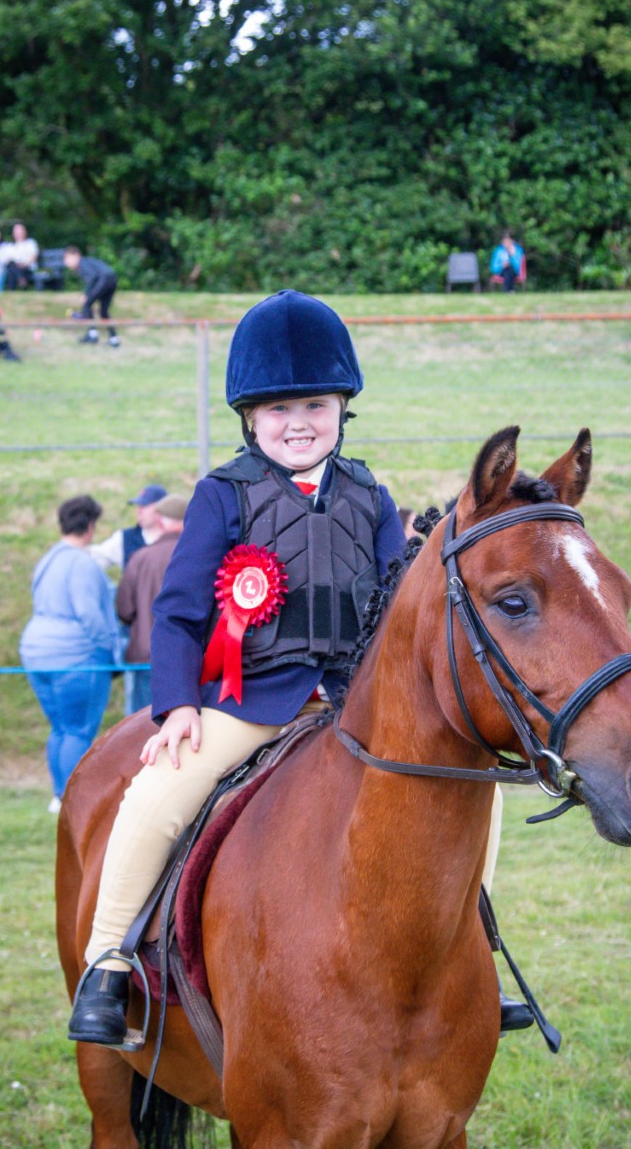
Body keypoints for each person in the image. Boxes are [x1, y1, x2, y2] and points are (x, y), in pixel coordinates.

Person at [67, 288, 409, 1047]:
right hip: (248, 699)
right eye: (279, 408)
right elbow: (179, 612)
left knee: (461, 793)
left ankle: (474, 954)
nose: (299, 422)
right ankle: (107, 962)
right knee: (157, 795)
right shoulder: (223, 495)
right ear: (250, 417)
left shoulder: (373, 498)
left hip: (351, 704)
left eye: (316, 405)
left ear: (342, 407)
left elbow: (398, 610)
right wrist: (177, 706)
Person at [20, 496, 119, 813]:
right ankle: (72, 800)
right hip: (74, 656)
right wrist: (108, 648)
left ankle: (58, 795)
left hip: (35, 653)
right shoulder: (82, 564)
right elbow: (89, 614)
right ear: (90, 526)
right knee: (78, 729)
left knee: (61, 728)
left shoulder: (48, 559)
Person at [90, 483, 168, 716]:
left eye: (145, 506)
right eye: (138, 506)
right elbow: (92, 560)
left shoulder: (177, 539)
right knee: (136, 704)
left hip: (168, 629)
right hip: (137, 633)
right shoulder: (125, 539)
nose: (139, 511)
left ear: (160, 509)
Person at [115, 494, 188, 715]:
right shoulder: (201, 555)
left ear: (160, 522)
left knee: (144, 724)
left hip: (148, 657)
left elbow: (124, 610)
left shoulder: (140, 558)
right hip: (191, 658)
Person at [63, 246, 120, 347]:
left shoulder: (82, 263)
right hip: (112, 278)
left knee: (87, 303)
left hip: (105, 279)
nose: (66, 262)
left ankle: (92, 336)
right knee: (103, 312)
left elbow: (92, 277)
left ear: (76, 255)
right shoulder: (85, 262)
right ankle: (114, 340)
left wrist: (86, 294)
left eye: (67, 258)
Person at [4, 222, 39, 290]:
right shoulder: (10, 245)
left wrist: (24, 264)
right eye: (17, 232)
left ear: (25, 232)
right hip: (15, 267)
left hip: (27, 268)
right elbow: (7, 259)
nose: (19, 234)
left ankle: (11, 290)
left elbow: (34, 257)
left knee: (12, 271)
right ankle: (21, 280)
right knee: (11, 266)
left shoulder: (30, 243)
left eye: (20, 231)